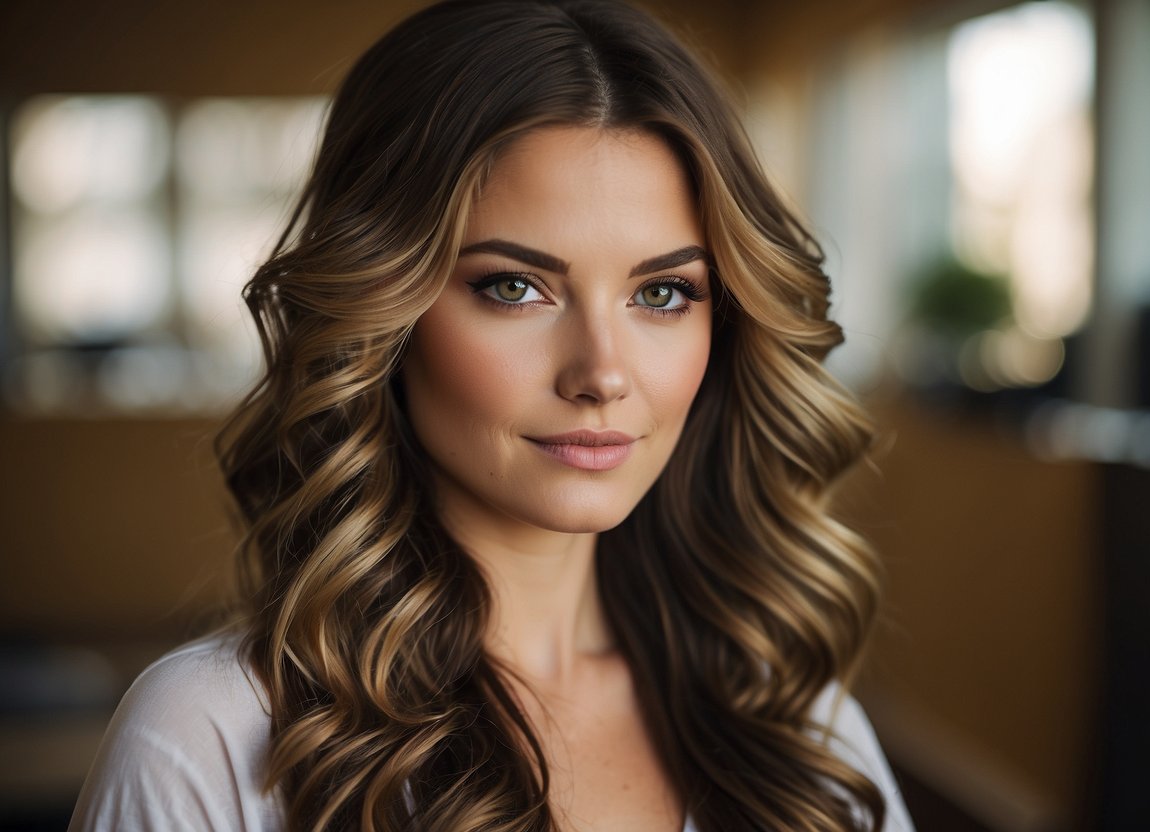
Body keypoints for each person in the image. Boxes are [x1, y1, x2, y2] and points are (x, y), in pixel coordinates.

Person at [69, 0, 914, 829]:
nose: (602, 374)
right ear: (384, 313)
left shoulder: (797, 725)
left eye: (661, 293)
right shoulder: (212, 738)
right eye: (513, 287)